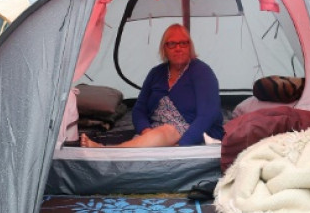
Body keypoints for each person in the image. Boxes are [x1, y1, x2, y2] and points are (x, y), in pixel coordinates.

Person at [81, 23, 224, 147]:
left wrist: (182, 144)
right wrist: (146, 131)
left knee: (167, 130)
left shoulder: (202, 72)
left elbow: (208, 115)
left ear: (190, 46)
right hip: (155, 134)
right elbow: (139, 109)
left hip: (190, 133)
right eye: (172, 44)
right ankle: (127, 149)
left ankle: (107, 150)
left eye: (183, 43)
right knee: (152, 140)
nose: (178, 48)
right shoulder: (156, 73)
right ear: (164, 49)